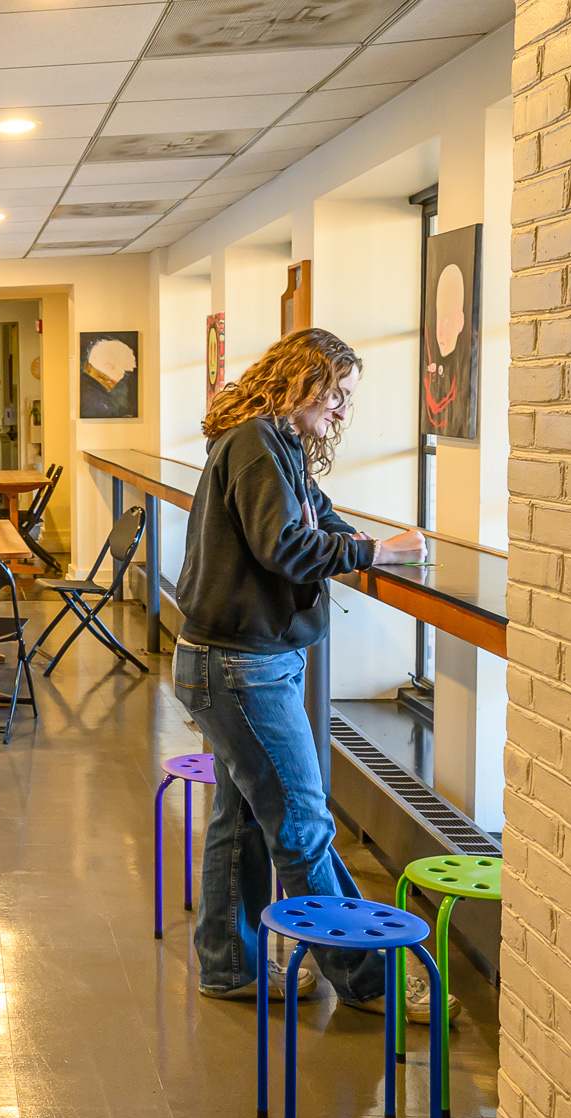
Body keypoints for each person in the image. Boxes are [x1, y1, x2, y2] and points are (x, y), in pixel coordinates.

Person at [174, 328, 449, 1021]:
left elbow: (320, 520)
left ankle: (229, 967)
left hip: (238, 661)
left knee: (241, 820)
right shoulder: (254, 444)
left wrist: (380, 548)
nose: (342, 412)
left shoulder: (277, 446)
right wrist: (371, 550)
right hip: (241, 667)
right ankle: (368, 979)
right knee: (302, 825)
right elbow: (287, 546)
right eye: (339, 396)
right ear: (305, 381)